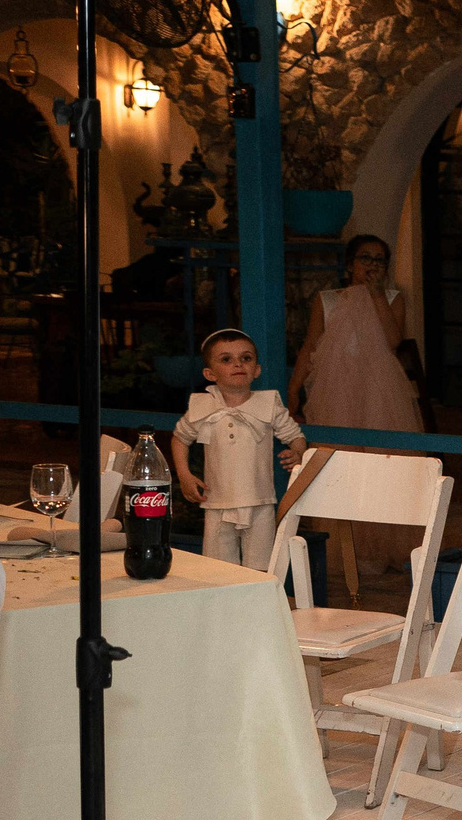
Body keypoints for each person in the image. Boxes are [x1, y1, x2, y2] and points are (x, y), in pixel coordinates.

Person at [172, 329, 306, 571]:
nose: (238, 364)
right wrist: (184, 475)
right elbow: (180, 438)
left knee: (261, 567)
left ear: (256, 369)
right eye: (226, 359)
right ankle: (223, 608)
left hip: (260, 501)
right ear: (209, 373)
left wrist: (297, 453)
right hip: (216, 502)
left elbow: (295, 437)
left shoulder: (269, 405)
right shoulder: (201, 407)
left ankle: (257, 607)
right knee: (218, 568)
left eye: (246, 358)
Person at [290, 234, 424, 436]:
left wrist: (377, 294)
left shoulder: (392, 298)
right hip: (336, 381)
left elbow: (393, 342)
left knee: (379, 441)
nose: (373, 264)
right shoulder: (327, 299)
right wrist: (293, 389)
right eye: (365, 258)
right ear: (351, 265)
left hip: (378, 383)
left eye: (379, 259)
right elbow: (310, 346)